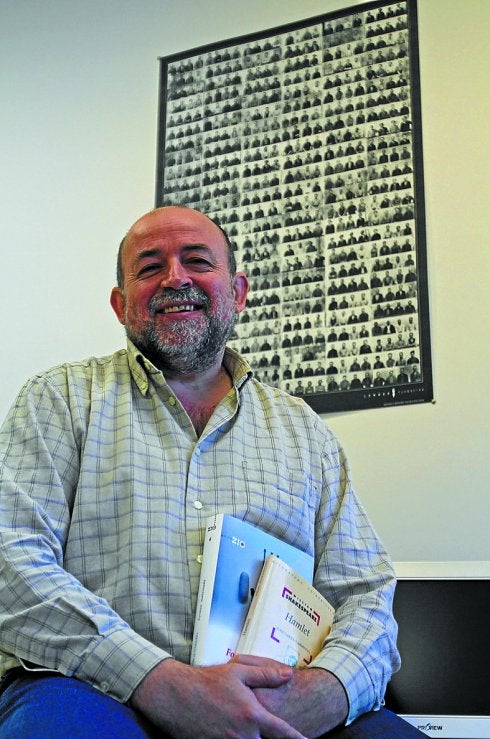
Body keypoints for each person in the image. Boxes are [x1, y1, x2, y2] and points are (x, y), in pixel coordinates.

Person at [0, 206, 421, 738]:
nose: (175, 278)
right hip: (91, 687)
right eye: (149, 267)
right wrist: (158, 680)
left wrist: (325, 693)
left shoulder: (306, 432)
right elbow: (11, 562)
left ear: (238, 293)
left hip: (281, 701)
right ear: (120, 305)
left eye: (197, 261)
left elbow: (365, 594)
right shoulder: (57, 400)